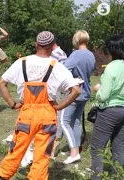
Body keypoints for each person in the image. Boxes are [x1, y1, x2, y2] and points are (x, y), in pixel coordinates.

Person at [0, 31, 81, 180]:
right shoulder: (57, 66)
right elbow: (76, 90)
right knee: (43, 154)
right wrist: (60, 107)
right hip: (47, 114)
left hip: (26, 113)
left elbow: (1, 83)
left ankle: (3, 177)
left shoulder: (21, 62)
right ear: (52, 47)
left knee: (17, 149)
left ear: (36, 44)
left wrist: (13, 104)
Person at [90, 34, 124, 180]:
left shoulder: (112, 67)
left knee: (97, 148)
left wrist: (97, 90)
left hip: (109, 111)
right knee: (119, 147)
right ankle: (118, 176)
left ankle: (96, 177)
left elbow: (103, 96)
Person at [60, 30, 95, 164]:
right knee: (75, 122)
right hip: (86, 92)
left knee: (64, 121)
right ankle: (75, 149)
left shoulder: (76, 54)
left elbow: (64, 70)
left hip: (74, 92)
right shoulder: (91, 55)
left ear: (76, 40)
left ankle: (74, 153)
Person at [50, 40, 68, 158]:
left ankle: (56, 135)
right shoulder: (55, 53)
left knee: (57, 111)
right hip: (52, 86)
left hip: (56, 87)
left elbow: (62, 71)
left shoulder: (58, 54)